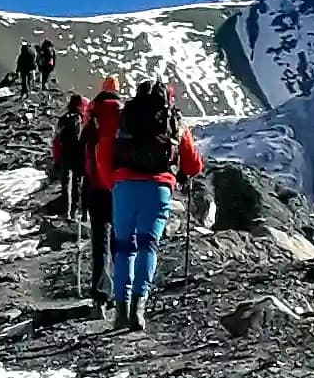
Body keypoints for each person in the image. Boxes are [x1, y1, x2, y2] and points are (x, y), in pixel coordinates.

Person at [93, 76, 206, 332]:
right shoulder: (173, 121)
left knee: (124, 248)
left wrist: (113, 182)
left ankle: (121, 309)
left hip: (123, 186)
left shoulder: (125, 116)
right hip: (159, 187)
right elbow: (193, 165)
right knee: (148, 246)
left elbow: (104, 150)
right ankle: (139, 309)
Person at [79, 76, 123, 309]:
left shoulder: (92, 111)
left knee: (100, 241)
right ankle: (118, 292)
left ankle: (99, 295)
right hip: (120, 184)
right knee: (119, 239)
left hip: (95, 184)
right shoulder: (123, 112)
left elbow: (82, 144)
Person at [48, 93, 89, 221]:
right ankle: (77, 211)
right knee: (78, 183)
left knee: (66, 183)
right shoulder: (82, 119)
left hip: (65, 153)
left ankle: (67, 211)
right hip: (79, 154)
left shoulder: (63, 119)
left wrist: (56, 158)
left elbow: (56, 140)